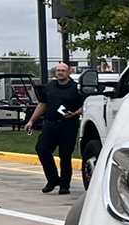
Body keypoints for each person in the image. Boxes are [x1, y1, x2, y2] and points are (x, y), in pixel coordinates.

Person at [26, 63, 86, 195]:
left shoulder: (76, 88)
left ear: (69, 72)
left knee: (65, 155)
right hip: (51, 124)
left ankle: (65, 185)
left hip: (69, 125)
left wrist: (75, 113)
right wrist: (31, 120)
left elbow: (85, 106)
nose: (60, 73)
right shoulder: (49, 87)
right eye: (58, 70)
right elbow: (43, 104)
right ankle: (52, 180)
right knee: (42, 149)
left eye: (63, 71)